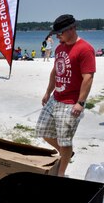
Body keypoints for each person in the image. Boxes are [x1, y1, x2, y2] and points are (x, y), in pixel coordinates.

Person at [35, 14, 96, 177]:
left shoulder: (85, 49)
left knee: (65, 140)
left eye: (60, 32)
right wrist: (48, 91)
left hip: (71, 102)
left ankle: (60, 174)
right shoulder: (60, 47)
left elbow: (88, 77)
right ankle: (67, 153)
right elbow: (55, 71)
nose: (58, 35)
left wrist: (80, 103)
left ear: (72, 29)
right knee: (43, 131)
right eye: (56, 33)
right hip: (56, 98)